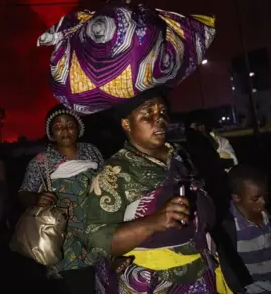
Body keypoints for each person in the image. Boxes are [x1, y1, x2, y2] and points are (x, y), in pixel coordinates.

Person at [85, 89, 231, 293]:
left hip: (198, 273)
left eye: (162, 111)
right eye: (148, 113)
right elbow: (96, 241)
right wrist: (154, 222)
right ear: (126, 124)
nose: (160, 119)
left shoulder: (179, 156)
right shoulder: (114, 173)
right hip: (152, 283)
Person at [18, 104, 104, 293]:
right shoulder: (41, 162)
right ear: (51, 133)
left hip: (97, 233)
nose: (64, 130)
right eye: (57, 127)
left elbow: (107, 183)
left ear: (78, 128)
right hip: (65, 239)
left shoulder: (91, 152)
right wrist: (37, 198)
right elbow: (23, 193)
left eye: (69, 125)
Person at [214, 165, 271, 294]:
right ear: (236, 197)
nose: (263, 202)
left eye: (265, 195)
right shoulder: (229, 226)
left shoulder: (267, 216)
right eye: (255, 198)